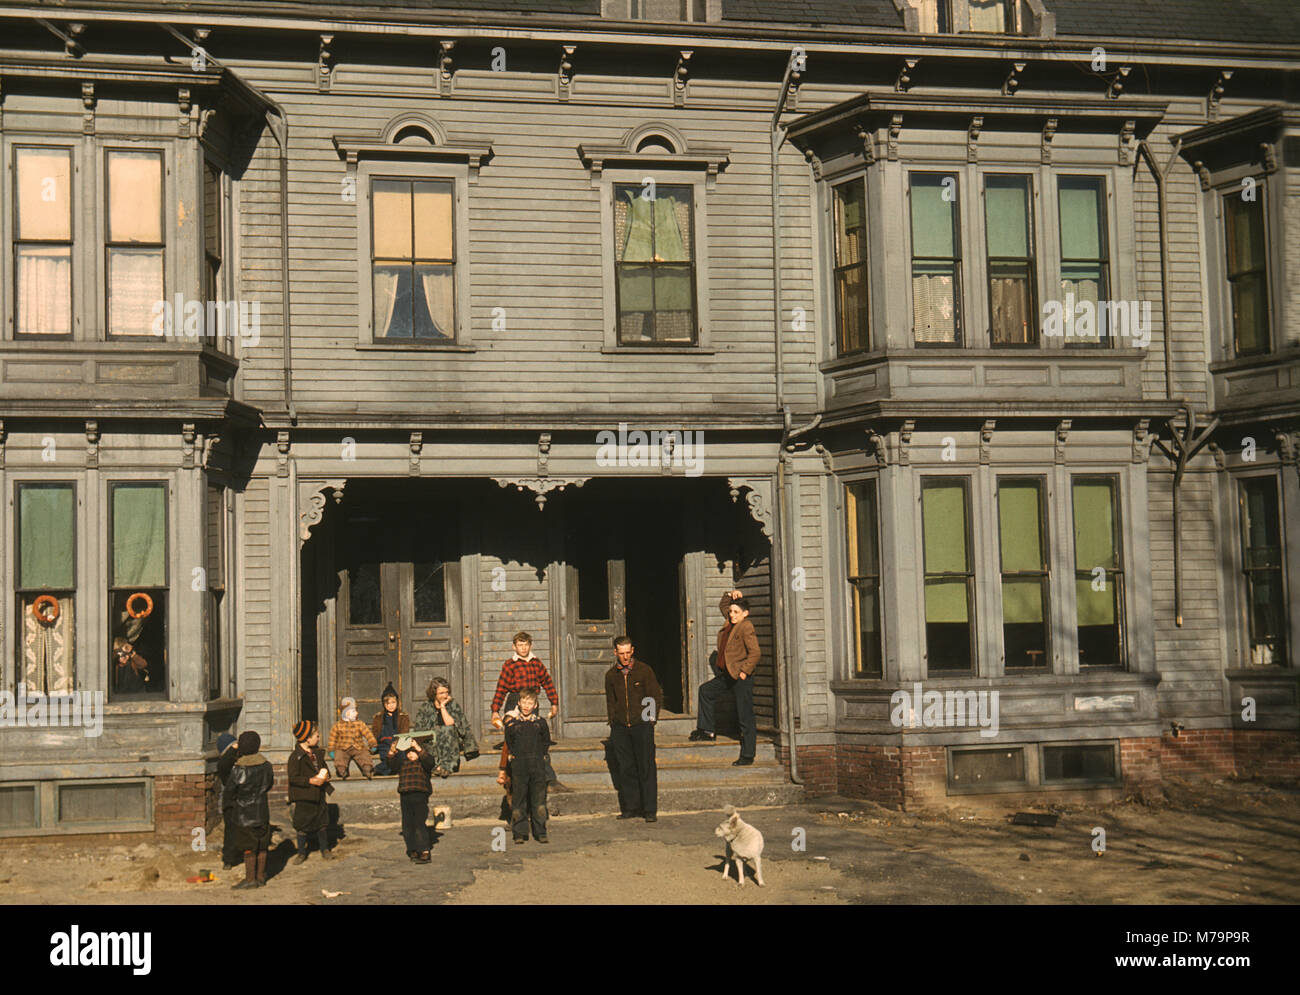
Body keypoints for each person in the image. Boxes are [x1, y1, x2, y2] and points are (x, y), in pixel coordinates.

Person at [689, 590, 760, 766]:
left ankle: (748, 754)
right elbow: (723, 605)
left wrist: (745, 671)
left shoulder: (746, 626)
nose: (732, 614)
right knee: (706, 691)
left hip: (740, 676)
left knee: (745, 716)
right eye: (731, 612)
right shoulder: (730, 623)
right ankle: (708, 732)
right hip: (728, 675)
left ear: (745, 613)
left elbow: (755, 652)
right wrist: (730, 593)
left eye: (736, 612)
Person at [490, 632, 567, 791]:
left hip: (532, 702)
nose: (523, 648)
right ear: (514, 646)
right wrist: (495, 710)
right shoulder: (509, 664)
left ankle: (547, 779)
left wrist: (554, 703)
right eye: (520, 645)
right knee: (513, 739)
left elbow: (548, 683)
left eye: (526, 645)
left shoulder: (536, 663)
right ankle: (507, 775)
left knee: (535, 740)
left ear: (530, 646)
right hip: (514, 700)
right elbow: (501, 688)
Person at [604, 635, 662, 823]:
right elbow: (611, 701)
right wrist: (614, 721)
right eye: (621, 653)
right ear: (615, 653)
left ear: (633, 651)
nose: (625, 657)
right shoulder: (611, 675)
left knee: (646, 766)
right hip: (621, 728)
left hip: (641, 726)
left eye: (628, 652)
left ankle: (649, 810)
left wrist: (649, 722)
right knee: (626, 767)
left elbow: (653, 696)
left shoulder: (644, 671)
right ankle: (630, 808)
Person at [225, 730, 274, 889]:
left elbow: (230, 790)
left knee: (249, 848)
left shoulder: (238, 768)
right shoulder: (266, 765)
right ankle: (261, 877)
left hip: (244, 814)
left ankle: (250, 879)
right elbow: (269, 785)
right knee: (262, 846)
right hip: (262, 811)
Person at [503, 688, 551, 844]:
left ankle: (540, 831)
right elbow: (510, 742)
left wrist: (540, 755)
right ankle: (519, 832)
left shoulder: (540, 723)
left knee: (538, 800)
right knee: (519, 799)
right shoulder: (512, 725)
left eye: (530, 702)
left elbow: (545, 742)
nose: (526, 705)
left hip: (537, 765)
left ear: (535, 704)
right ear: (518, 703)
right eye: (523, 702)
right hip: (519, 766)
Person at [287, 720, 334, 862]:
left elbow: (325, 768)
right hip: (304, 796)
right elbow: (293, 778)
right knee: (302, 824)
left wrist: (326, 776)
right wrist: (310, 780)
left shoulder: (317, 754)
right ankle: (301, 852)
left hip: (318, 794)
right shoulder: (295, 757)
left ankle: (324, 848)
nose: (319, 738)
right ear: (307, 738)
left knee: (322, 823)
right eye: (317, 736)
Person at [414, 678, 479, 777]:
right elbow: (419, 730)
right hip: (432, 742)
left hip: (449, 741)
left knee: (447, 729)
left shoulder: (452, 704)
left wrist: (443, 706)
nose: (445, 695)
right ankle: (437, 766)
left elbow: (451, 724)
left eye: (446, 692)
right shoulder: (425, 707)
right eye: (441, 693)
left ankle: (447, 766)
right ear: (434, 693)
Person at [387, 735, 436, 863]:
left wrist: (418, 748)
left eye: (413, 752)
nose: (411, 755)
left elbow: (430, 762)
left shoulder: (423, 764)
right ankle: (413, 849)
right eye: (408, 752)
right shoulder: (403, 764)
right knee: (407, 826)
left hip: (420, 795)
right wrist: (392, 751)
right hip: (405, 796)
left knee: (419, 824)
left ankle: (424, 850)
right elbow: (391, 764)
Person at [328, 697, 377, 779]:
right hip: (343, 748)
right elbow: (332, 739)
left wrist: (373, 744)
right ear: (346, 713)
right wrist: (331, 750)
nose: (356, 713)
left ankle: (367, 768)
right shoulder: (337, 725)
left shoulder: (359, 723)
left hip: (358, 747)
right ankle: (341, 769)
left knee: (364, 754)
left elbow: (368, 734)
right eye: (354, 711)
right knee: (340, 756)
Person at [370, 683, 410, 776]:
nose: (391, 706)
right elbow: (375, 733)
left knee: (401, 756)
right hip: (384, 742)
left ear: (397, 703)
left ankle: (379, 768)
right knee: (387, 755)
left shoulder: (403, 717)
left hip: (398, 742)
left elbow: (404, 732)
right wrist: (374, 744)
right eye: (388, 703)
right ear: (384, 704)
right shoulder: (379, 717)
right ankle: (392, 769)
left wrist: (397, 743)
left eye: (393, 703)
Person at [215, 732, 242, 869]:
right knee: (231, 831)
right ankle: (229, 859)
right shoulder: (224, 765)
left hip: (243, 799)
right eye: (232, 748)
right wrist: (233, 748)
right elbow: (225, 763)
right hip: (230, 801)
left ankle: (242, 853)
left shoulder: (241, 761)